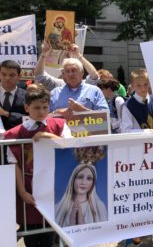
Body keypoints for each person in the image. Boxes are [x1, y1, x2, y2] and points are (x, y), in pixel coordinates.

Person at [3, 84, 72, 247]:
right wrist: (22, 192)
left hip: (56, 185)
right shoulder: (13, 134)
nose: (41, 112)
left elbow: (70, 146)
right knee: (32, 231)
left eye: (45, 107)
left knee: (55, 230)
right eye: (36, 108)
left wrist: (47, 135)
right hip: (29, 187)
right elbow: (15, 166)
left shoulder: (59, 125)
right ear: (27, 107)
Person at [55, 146, 107, 227]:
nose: (83, 182)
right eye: (80, 177)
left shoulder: (100, 207)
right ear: (73, 179)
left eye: (89, 178)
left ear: (93, 182)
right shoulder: (59, 207)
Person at [35, 42, 99, 90]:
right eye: (67, 71)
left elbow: (94, 75)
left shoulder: (86, 86)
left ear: (82, 72)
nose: (70, 74)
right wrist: (44, 54)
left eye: (74, 70)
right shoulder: (58, 85)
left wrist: (79, 55)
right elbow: (39, 75)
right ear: (63, 74)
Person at [0, 60, 27, 131]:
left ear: (19, 76)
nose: (7, 78)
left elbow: (30, 119)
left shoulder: (27, 96)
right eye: (4, 74)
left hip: (18, 139)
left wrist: (6, 114)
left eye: (12, 75)